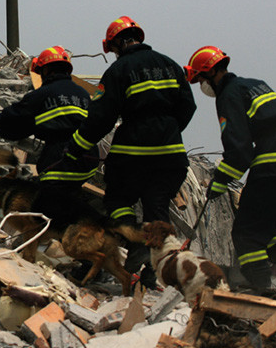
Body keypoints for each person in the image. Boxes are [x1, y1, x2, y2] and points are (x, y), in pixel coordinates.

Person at [64, 16, 197, 284]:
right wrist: (167, 131)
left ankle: (135, 240)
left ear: (115, 44)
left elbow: (101, 116)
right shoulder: (170, 65)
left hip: (132, 155)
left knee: (117, 201)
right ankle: (153, 273)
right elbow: (188, 107)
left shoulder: (119, 71)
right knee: (157, 209)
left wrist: (75, 147)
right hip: (171, 155)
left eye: (112, 49)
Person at [184, 45, 276, 294]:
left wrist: (220, 181)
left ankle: (261, 288)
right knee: (267, 224)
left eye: (200, 79)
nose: (202, 85)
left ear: (210, 73)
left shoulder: (229, 95)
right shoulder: (255, 84)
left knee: (245, 232)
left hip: (274, 160)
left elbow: (239, 150)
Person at [0, 46, 101, 228]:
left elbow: (13, 121)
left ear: (46, 69)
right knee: (69, 198)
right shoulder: (83, 94)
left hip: (61, 157)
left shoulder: (41, 95)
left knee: (49, 204)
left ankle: (55, 236)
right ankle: (73, 231)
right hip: (89, 158)